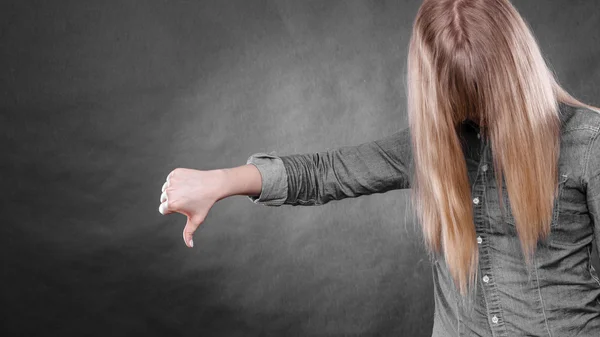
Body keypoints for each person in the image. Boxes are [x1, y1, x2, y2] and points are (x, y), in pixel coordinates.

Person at [158, 0, 600, 335]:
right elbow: (326, 173)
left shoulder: (588, 142)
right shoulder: (433, 148)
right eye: (460, 94)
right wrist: (219, 181)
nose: (475, 112)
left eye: (484, 92)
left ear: (514, 69)